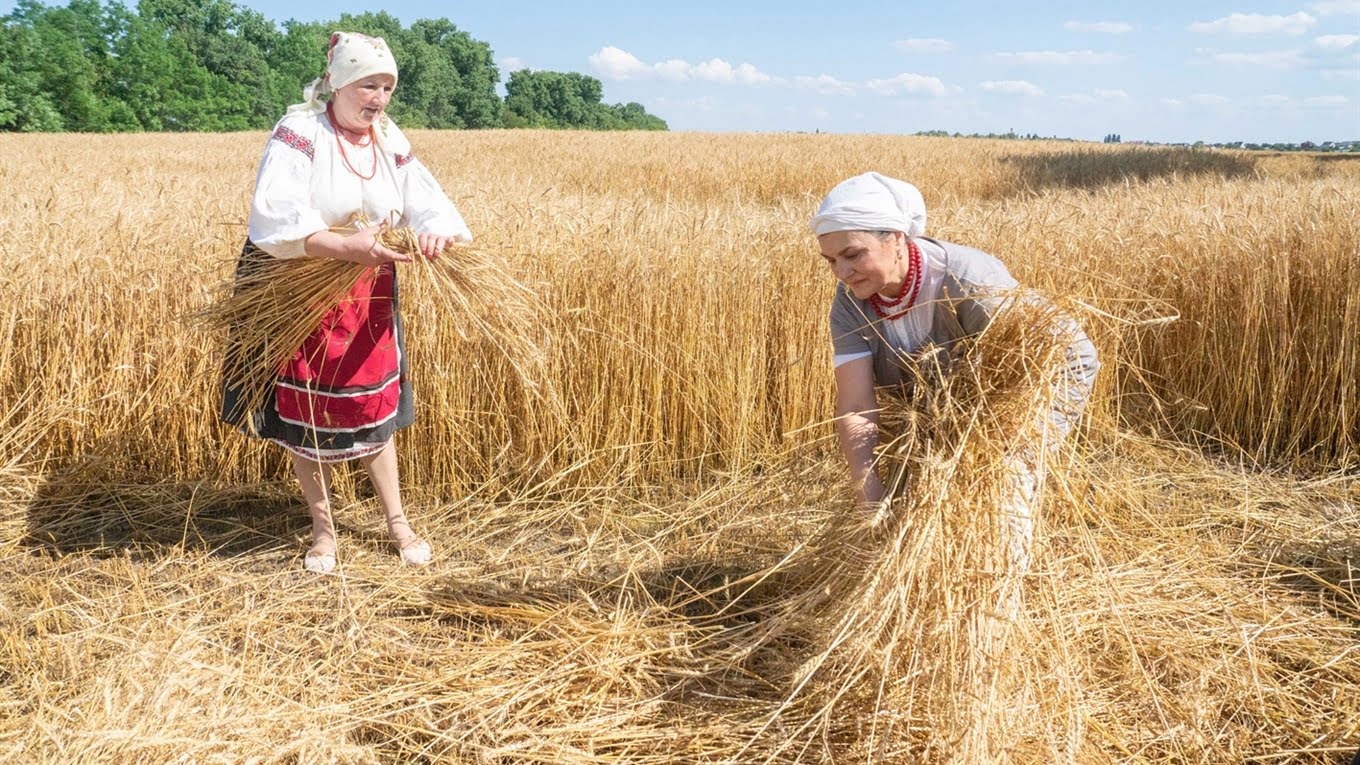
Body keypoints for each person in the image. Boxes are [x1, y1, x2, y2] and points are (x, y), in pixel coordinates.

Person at [221, 32, 472, 573]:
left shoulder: (386, 137)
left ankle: (398, 522)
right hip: (303, 286)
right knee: (307, 413)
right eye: (368, 84)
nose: (378, 97)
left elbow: (423, 196)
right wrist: (341, 247)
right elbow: (276, 213)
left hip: (367, 290)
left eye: (386, 86)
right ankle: (323, 531)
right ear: (337, 83)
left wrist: (432, 231)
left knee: (372, 405)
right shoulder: (300, 131)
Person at [813, 172, 1098, 569]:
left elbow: (1025, 374)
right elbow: (858, 406)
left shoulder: (968, 281)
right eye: (831, 261)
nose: (842, 273)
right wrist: (869, 493)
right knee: (914, 500)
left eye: (853, 254)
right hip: (949, 401)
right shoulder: (850, 303)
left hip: (1043, 376)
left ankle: (1001, 592)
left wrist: (1005, 454)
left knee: (1001, 483)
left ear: (896, 238)